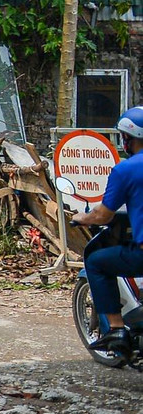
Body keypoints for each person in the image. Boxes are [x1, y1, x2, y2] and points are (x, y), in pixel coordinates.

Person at [73, 106, 143, 350]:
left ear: (127, 138)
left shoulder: (126, 169)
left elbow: (103, 215)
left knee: (97, 262)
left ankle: (115, 329)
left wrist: (83, 217)